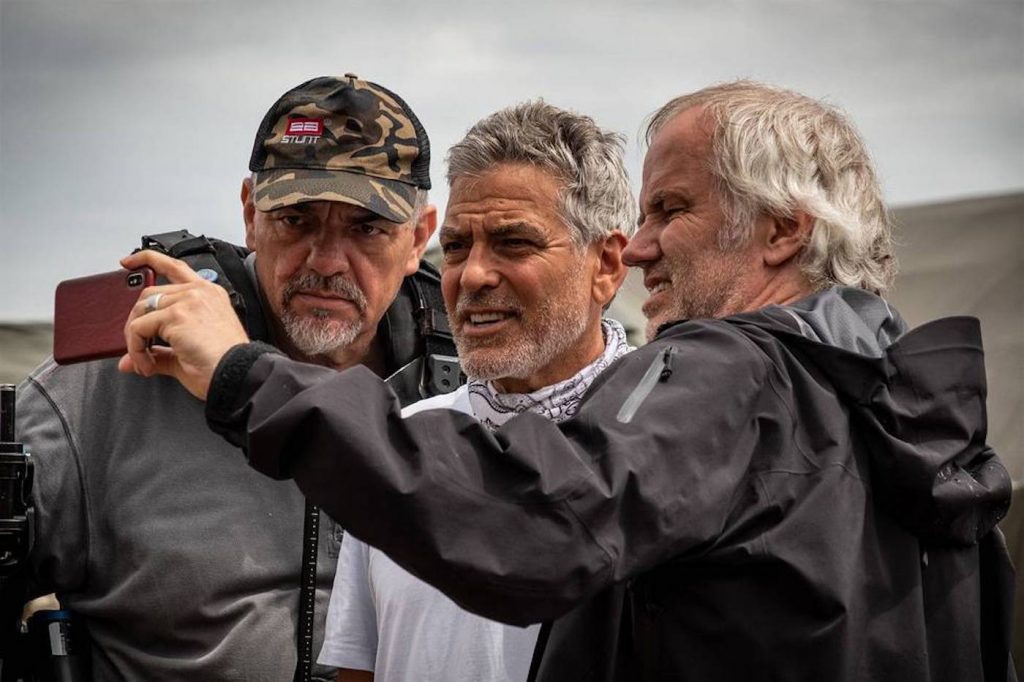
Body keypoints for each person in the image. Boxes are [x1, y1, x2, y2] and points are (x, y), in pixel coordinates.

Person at [121, 81, 1015, 681]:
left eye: (670, 210)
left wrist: (244, 375)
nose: (647, 248)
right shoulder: (911, 412)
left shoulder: (736, 373)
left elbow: (528, 527)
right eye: (458, 247)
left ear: (780, 231)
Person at [16, 73, 444, 681]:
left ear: (418, 238)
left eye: (366, 228)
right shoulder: (122, 370)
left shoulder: (465, 381)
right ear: (250, 213)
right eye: (295, 220)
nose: (325, 262)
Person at [316, 101, 635, 682]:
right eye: (458, 247)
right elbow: (358, 670)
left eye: (514, 243)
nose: (473, 275)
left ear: (607, 265)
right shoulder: (399, 440)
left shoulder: (671, 440)